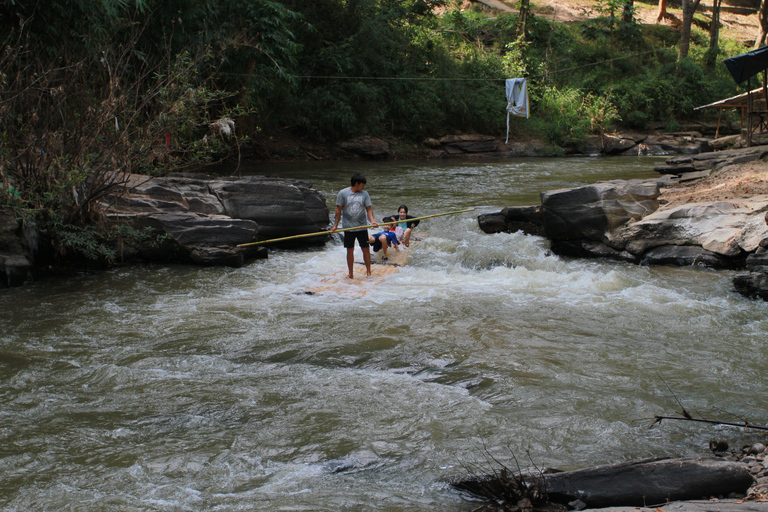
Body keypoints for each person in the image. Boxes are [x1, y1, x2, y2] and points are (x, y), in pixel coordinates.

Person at [329, 173, 378, 279]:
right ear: (357, 183)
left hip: (362, 227)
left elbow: (369, 209)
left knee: (365, 249)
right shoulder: (343, 193)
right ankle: (350, 273)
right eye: (362, 184)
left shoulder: (365, 194)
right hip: (348, 227)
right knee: (349, 250)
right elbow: (338, 210)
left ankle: (368, 272)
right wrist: (335, 226)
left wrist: (373, 221)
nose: (363, 187)